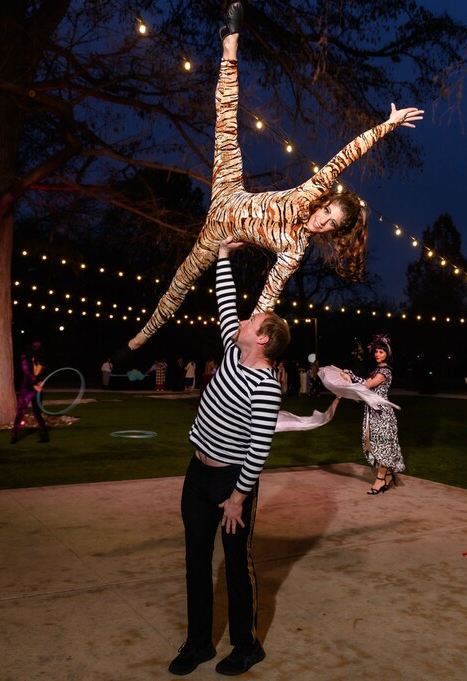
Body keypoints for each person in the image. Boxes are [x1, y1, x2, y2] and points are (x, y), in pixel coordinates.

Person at [126, 5, 424, 350]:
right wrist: (387, 126)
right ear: (324, 202)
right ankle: (230, 47)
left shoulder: (294, 250)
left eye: (330, 224)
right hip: (229, 190)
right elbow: (347, 155)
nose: (322, 221)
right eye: (327, 212)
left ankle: (137, 340)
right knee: (226, 123)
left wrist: (251, 336)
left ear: (332, 232)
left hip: (218, 235)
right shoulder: (310, 192)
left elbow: (269, 294)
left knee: (181, 281)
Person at [167, 236, 290, 677]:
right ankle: (198, 643)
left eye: (253, 319)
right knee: (196, 562)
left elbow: (259, 448)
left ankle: (246, 646)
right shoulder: (232, 352)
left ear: (263, 338)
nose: (243, 317)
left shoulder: (266, 387)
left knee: (236, 567)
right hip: (197, 475)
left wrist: (237, 499)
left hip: (231, 485)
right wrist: (222, 256)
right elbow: (224, 302)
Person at [338, 334, 404, 494]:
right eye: (376, 351)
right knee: (374, 443)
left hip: (381, 413)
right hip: (373, 411)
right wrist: (352, 376)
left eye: (381, 352)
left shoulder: (385, 371)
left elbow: (367, 385)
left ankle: (380, 479)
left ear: (387, 354)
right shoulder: (377, 370)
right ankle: (387, 475)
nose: (377, 354)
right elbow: (366, 383)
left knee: (381, 445)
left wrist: (351, 378)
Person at [11, 342, 49, 444]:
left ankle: (44, 436)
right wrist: (34, 385)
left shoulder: (42, 361)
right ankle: (14, 436)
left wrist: (41, 382)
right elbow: (27, 374)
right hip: (26, 390)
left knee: (37, 413)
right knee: (20, 413)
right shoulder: (25, 361)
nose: (36, 351)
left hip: (37, 391)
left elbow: (43, 374)